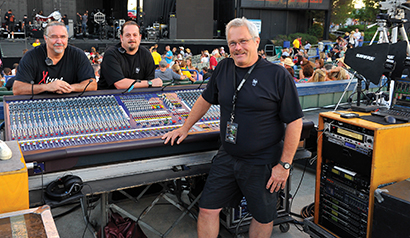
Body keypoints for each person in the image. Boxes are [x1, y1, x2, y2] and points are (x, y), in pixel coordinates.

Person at [162, 17, 303, 238]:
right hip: (227, 155)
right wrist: (185, 128)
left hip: (262, 161)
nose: (238, 48)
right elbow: (205, 99)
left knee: (262, 216)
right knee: (208, 209)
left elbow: (295, 121)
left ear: (256, 41)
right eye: (232, 43)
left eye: (243, 41)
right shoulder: (224, 67)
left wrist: (284, 165)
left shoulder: (278, 75)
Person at [12, 21, 96, 95]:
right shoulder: (31, 56)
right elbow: (17, 89)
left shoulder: (78, 55)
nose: (59, 41)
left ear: (67, 38)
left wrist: (68, 88)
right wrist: (47, 87)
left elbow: (92, 84)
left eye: (63, 37)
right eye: (54, 37)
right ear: (45, 38)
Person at [98, 21, 162, 90]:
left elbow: (149, 81)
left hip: (138, 97)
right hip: (111, 96)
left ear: (140, 38)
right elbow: (120, 84)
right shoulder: (111, 54)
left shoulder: (146, 54)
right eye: (128, 35)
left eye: (135, 35)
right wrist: (149, 83)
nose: (132, 38)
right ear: (121, 38)